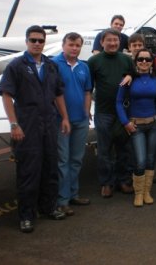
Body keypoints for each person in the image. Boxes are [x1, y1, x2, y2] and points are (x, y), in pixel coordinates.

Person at [0, 25, 70, 233]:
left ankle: (48, 207)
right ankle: (26, 216)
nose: (37, 44)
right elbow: (6, 95)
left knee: (50, 167)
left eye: (40, 40)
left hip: (49, 122)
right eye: (33, 40)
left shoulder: (50, 65)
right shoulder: (16, 65)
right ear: (27, 42)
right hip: (27, 125)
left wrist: (64, 117)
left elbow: (58, 94)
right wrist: (14, 123)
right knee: (29, 172)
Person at [88, 28, 135, 198]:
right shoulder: (93, 61)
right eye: (109, 40)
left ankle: (123, 180)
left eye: (116, 40)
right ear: (102, 42)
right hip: (104, 111)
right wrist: (87, 109)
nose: (113, 43)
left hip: (123, 112)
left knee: (124, 149)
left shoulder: (126, 59)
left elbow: (134, 75)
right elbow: (88, 87)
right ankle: (107, 183)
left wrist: (130, 74)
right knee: (104, 149)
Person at [53, 33, 92, 217]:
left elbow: (87, 92)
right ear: (63, 45)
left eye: (77, 45)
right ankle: (62, 200)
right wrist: (64, 117)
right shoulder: (54, 64)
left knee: (76, 160)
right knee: (63, 161)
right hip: (62, 121)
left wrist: (86, 112)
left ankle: (73, 194)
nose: (74, 48)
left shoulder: (84, 66)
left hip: (80, 120)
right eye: (71, 45)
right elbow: (53, 93)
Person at [116, 49, 156, 207]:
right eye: (140, 59)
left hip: (154, 123)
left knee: (150, 159)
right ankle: (138, 193)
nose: (143, 62)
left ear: (151, 62)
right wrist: (125, 122)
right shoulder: (128, 79)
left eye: (147, 60)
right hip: (136, 125)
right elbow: (118, 102)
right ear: (135, 62)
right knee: (140, 161)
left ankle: (147, 192)